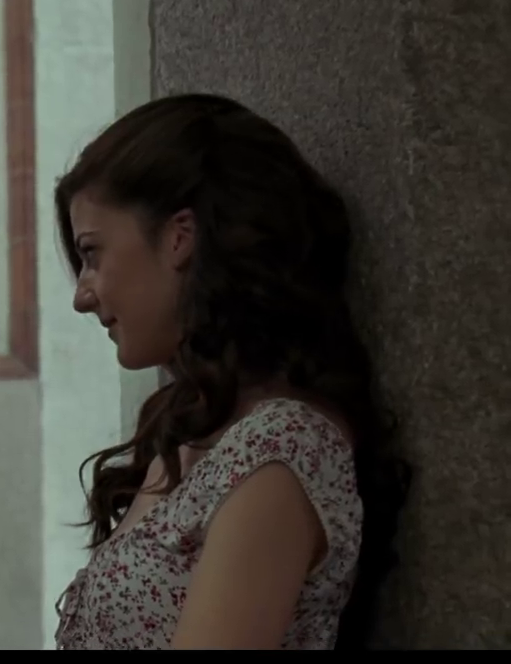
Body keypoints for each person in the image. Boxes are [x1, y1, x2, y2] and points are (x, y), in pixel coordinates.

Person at [52, 94, 409, 650]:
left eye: (92, 254)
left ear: (180, 236)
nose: (82, 295)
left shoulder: (283, 448)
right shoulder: (188, 425)